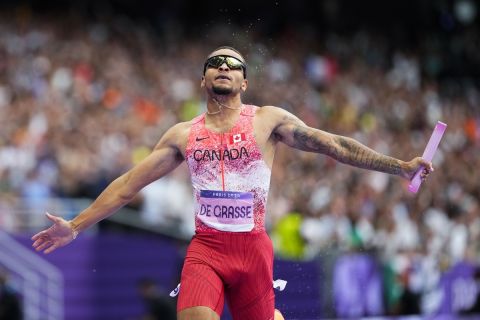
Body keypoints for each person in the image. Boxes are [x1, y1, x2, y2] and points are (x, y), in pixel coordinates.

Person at [32, 46, 434, 320]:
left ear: (244, 83)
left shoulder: (267, 121)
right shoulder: (181, 136)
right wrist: (76, 225)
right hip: (207, 249)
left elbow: (334, 145)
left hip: (254, 252)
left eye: (233, 64)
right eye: (215, 62)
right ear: (203, 80)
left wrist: (398, 166)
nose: (223, 66)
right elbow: (126, 186)